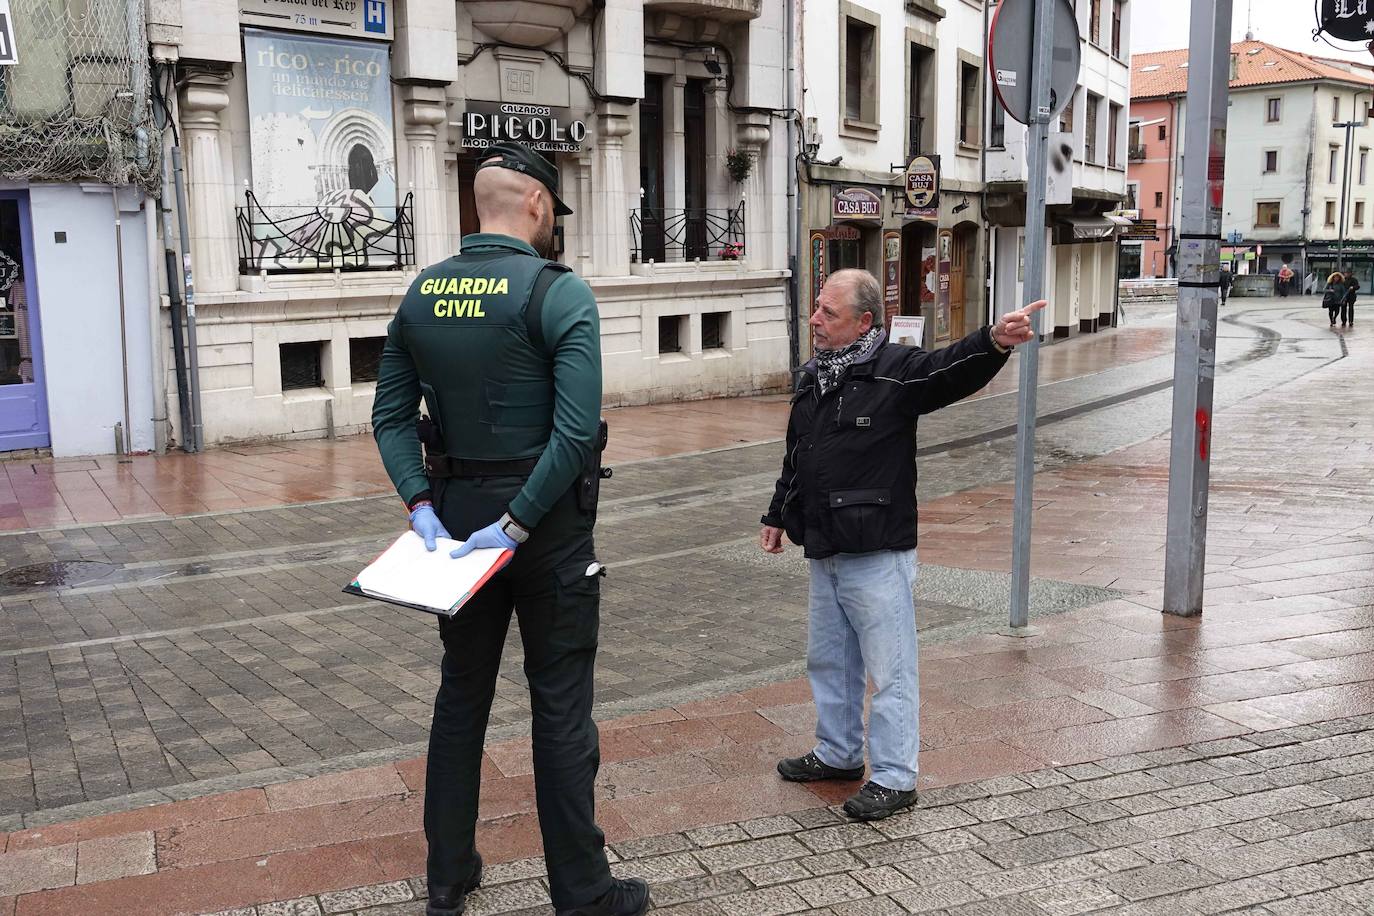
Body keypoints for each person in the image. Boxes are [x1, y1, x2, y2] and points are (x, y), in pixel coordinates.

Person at [372, 141, 648, 916]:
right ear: (534, 204)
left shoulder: (422, 294)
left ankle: (447, 878)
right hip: (546, 531)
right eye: (553, 211)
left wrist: (419, 504)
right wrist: (521, 520)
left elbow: (389, 417)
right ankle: (584, 893)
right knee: (559, 703)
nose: (554, 223)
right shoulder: (558, 292)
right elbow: (573, 434)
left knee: (461, 697)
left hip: (456, 533)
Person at [758, 269, 1044, 821]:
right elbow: (799, 455)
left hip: (877, 549)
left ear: (864, 321)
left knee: (890, 670)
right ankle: (838, 753)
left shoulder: (896, 370)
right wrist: (777, 514)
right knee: (830, 659)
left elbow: (948, 371)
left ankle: (894, 777)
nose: (815, 320)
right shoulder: (815, 376)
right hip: (825, 543)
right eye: (816, 309)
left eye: (828, 313)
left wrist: (992, 341)